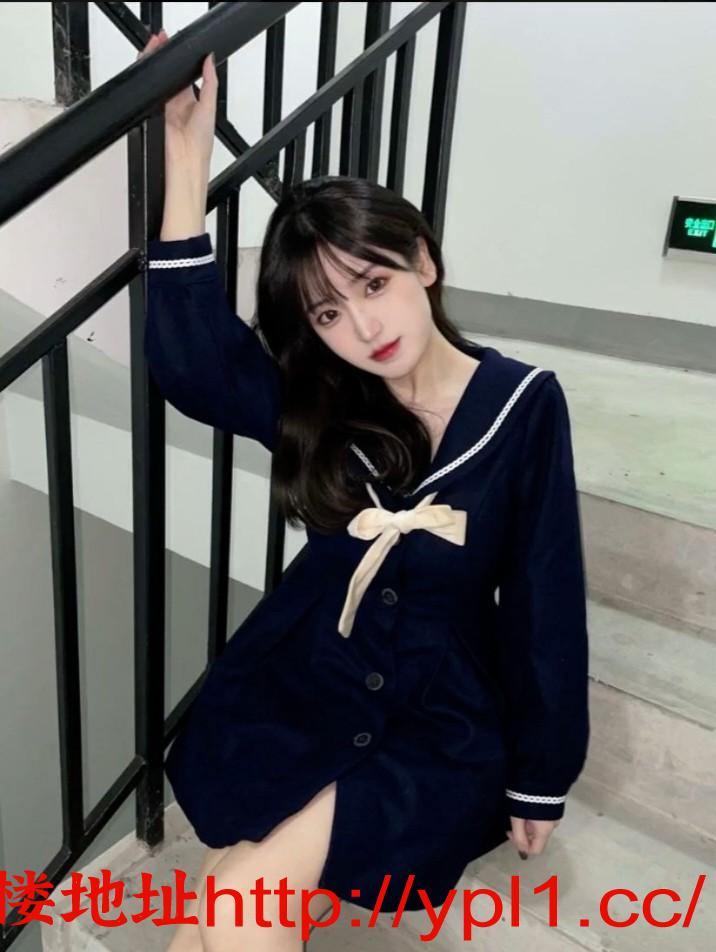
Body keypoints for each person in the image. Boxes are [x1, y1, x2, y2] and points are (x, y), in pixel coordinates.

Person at [139, 30, 590, 952]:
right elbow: (194, 367)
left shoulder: (523, 406)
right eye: (328, 311)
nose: (363, 326)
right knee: (229, 904)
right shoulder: (326, 404)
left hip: (436, 720)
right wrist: (185, 159)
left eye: (374, 282)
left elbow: (544, 598)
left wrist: (541, 775)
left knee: (235, 904)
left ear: (423, 260)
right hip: (311, 683)